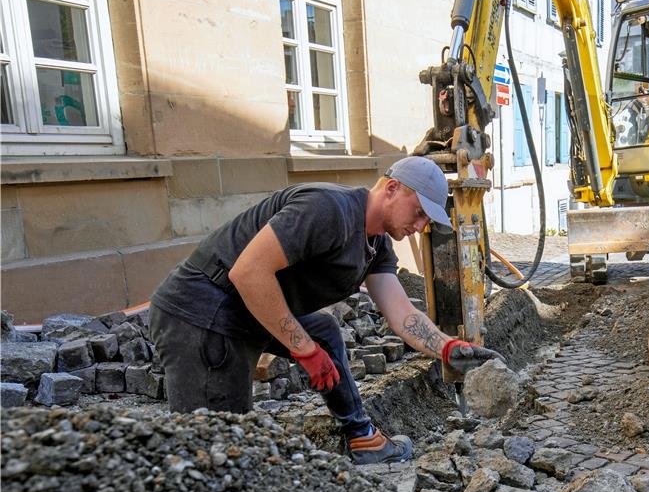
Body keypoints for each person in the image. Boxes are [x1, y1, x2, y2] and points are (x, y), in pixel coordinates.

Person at [149, 156, 502, 465]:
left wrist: (447, 347)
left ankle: (361, 435)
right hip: (201, 313)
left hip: (243, 312)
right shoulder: (327, 209)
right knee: (213, 448)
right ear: (393, 188)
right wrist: (304, 350)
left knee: (324, 331)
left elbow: (402, 314)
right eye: (420, 212)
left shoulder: (376, 244)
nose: (421, 226)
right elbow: (248, 272)